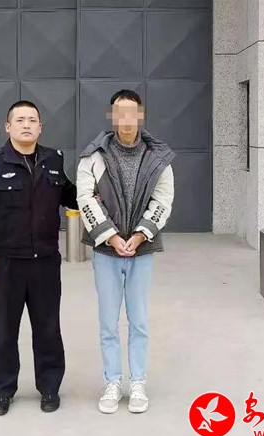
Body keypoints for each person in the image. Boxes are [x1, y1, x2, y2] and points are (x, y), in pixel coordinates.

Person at [0, 100, 77, 416]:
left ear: (40, 127)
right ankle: (2, 391)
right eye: (20, 120)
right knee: (4, 331)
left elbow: (69, 195)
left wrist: (95, 192)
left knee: (48, 329)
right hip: (6, 264)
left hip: (45, 262)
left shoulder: (53, 160)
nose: (26, 125)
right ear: (8, 127)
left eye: (32, 120)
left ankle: (50, 388)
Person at [76, 90, 175, 414]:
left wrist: (142, 233)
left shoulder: (157, 157)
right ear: (112, 116)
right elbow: (85, 198)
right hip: (107, 252)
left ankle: (138, 383)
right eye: (120, 112)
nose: (126, 118)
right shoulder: (93, 156)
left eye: (132, 112)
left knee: (139, 320)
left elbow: (163, 200)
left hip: (142, 250)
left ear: (140, 115)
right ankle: (112, 382)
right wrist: (111, 236)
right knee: (108, 321)